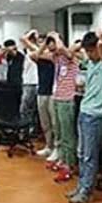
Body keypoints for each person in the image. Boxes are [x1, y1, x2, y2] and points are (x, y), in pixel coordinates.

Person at [67, 32, 102, 203]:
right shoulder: (90, 63)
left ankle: (86, 192)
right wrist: (84, 45)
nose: (88, 54)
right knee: (81, 153)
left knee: (89, 156)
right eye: (87, 51)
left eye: (91, 50)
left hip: (96, 115)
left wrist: (99, 37)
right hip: (84, 112)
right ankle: (81, 186)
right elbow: (70, 51)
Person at [39, 31, 80, 183]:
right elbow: (38, 54)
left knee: (68, 136)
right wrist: (45, 43)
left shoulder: (70, 57)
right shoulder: (56, 59)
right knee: (60, 134)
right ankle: (62, 160)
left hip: (66, 100)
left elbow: (64, 50)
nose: (52, 50)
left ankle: (69, 165)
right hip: (56, 98)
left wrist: (56, 37)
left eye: (53, 46)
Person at [22, 31, 58, 160]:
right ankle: (49, 146)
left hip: (53, 93)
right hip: (41, 92)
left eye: (49, 42)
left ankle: (56, 148)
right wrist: (35, 34)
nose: (46, 45)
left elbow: (47, 55)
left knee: (55, 124)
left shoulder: (56, 55)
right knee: (45, 123)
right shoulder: (38, 56)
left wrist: (42, 45)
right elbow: (25, 41)